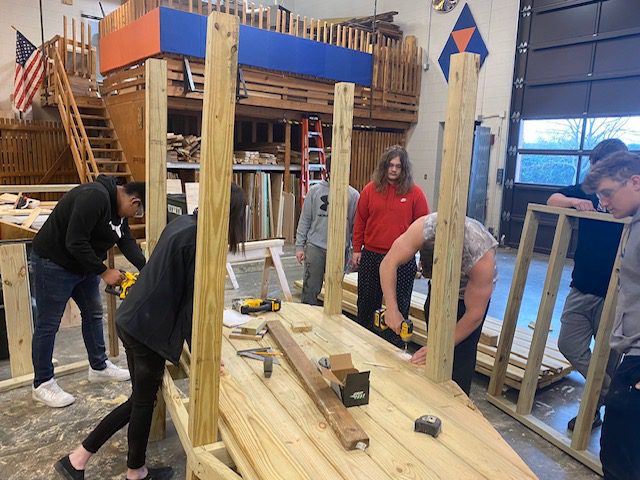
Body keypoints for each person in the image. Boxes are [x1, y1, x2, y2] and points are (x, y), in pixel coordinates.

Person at [54, 184, 246, 480]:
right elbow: (192, 306)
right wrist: (205, 354)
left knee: (142, 400)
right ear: (232, 214)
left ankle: (131, 469)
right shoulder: (199, 240)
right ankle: (80, 459)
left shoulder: (186, 222)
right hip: (146, 328)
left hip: (135, 318)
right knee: (141, 402)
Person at [31, 175, 147, 408]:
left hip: (82, 266)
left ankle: (99, 366)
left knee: (93, 314)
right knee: (48, 324)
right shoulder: (94, 197)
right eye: (136, 214)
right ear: (134, 202)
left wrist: (147, 270)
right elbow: (75, 241)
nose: (131, 218)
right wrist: (104, 272)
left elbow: (125, 241)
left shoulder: (118, 211)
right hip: (53, 263)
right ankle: (42, 383)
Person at [547, 138, 628, 431]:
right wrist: (574, 202)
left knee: (607, 360)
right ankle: (616, 398)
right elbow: (552, 200)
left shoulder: (629, 200)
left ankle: (594, 412)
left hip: (616, 295)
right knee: (568, 342)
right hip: (582, 287)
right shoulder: (588, 192)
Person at [380, 213, 497, 395]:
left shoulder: (480, 255)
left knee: (460, 355)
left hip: (466, 296)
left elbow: (474, 315)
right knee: (433, 348)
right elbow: (388, 263)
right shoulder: (425, 228)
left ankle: (456, 407)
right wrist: (392, 308)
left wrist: (441, 347)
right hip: (439, 290)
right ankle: (432, 395)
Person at [583, 152, 640, 480]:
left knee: (620, 460)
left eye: (607, 193)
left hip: (638, 362)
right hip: (631, 355)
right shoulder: (634, 223)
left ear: (634, 181)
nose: (602, 203)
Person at [350, 145, 429, 347]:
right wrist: (357, 248)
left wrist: (425, 259)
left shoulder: (415, 194)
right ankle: (364, 343)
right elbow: (360, 221)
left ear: (404, 169)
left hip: (402, 260)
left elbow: (425, 229)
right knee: (367, 303)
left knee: (399, 305)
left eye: (398, 166)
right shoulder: (369, 191)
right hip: (372, 256)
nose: (394, 170)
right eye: (390, 165)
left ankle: (394, 346)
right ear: (384, 167)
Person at [295, 156, 360, 305]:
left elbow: (356, 227)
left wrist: (354, 250)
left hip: (339, 250)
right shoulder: (315, 192)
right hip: (315, 248)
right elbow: (305, 220)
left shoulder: (353, 195)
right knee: (310, 289)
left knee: (334, 290)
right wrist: (299, 246)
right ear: (328, 171)